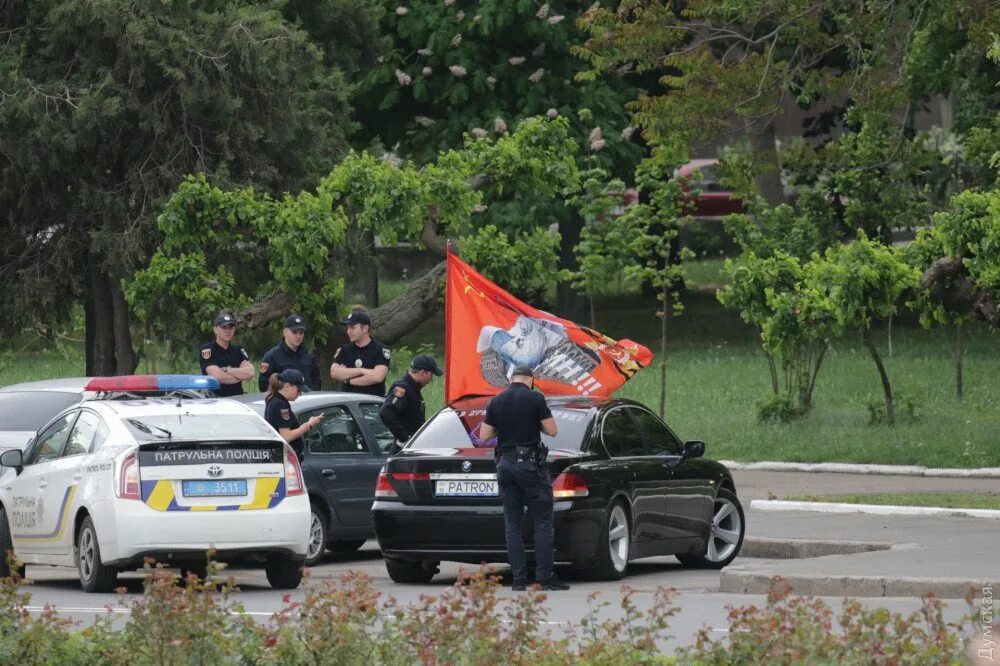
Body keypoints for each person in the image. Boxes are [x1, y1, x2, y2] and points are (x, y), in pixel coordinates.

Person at [479, 366, 568, 592]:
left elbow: (484, 435)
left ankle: (518, 581)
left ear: (511, 379)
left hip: (505, 465)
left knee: (512, 523)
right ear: (531, 379)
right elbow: (553, 430)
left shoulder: (496, 401)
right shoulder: (535, 398)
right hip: (529, 466)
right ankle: (544, 578)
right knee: (542, 521)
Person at [379, 354, 442, 445]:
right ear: (423, 372)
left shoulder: (413, 389)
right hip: (404, 449)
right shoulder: (403, 388)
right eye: (431, 375)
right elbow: (385, 412)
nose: (432, 379)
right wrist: (404, 438)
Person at [264, 369, 322, 461]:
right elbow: (286, 436)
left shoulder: (274, 400)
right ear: (287, 386)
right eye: (298, 390)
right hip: (286, 459)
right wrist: (309, 425)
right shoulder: (280, 404)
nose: (300, 394)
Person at [329, 309, 391, 397]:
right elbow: (334, 373)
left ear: (365, 328)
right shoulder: (345, 350)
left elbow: (377, 377)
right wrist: (362, 370)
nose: (348, 331)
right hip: (348, 402)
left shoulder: (381, 350)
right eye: (348, 328)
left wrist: (348, 380)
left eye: (353, 328)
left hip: (372, 403)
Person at [258, 314, 322, 392]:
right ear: (285, 332)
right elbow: (263, 385)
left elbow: (317, 382)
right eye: (294, 332)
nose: (298, 336)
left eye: (301, 333)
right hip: (283, 401)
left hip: (307, 401)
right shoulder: (271, 356)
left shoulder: (309, 357)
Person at [199, 312, 255, 397]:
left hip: (238, 400)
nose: (228, 331)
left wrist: (226, 370)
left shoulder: (238, 350)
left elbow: (250, 373)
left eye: (231, 327)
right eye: (224, 327)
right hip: (215, 400)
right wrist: (240, 376)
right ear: (215, 329)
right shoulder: (208, 349)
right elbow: (217, 376)